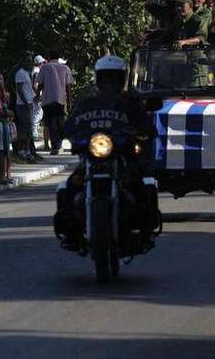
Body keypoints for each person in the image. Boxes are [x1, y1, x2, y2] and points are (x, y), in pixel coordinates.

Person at [54, 55, 159, 251]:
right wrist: (69, 136)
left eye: (114, 77)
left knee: (141, 184)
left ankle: (146, 231)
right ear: (98, 78)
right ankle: (69, 232)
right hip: (92, 156)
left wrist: (141, 134)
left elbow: (147, 127)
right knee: (70, 186)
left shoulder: (130, 102)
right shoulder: (86, 103)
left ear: (122, 78)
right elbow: (70, 125)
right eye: (105, 77)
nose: (109, 82)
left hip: (121, 156)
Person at [36, 50, 74, 155]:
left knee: (51, 123)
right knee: (60, 122)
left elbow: (40, 84)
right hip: (60, 100)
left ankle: (54, 147)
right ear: (58, 58)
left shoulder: (44, 67)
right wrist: (69, 101)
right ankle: (60, 144)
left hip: (47, 100)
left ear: (49, 57)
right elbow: (68, 87)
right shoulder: (65, 68)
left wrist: (37, 95)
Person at [14, 53, 36, 160]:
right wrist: (26, 103)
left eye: (30, 60)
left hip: (30, 103)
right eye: (27, 60)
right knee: (24, 128)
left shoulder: (27, 73)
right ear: (23, 61)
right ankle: (21, 150)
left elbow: (29, 88)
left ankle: (27, 150)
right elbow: (19, 90)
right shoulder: (20, 73)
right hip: (23, 105)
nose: (30, 63)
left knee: (29, 128)